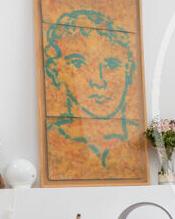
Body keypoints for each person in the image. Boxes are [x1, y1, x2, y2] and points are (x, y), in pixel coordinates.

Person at [43, 9, 139, 169]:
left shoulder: (139, 140)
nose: (99, 81)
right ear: (55, 71)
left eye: (112, 65)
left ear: (128, 70)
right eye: (79, 64)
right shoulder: (52, 142)